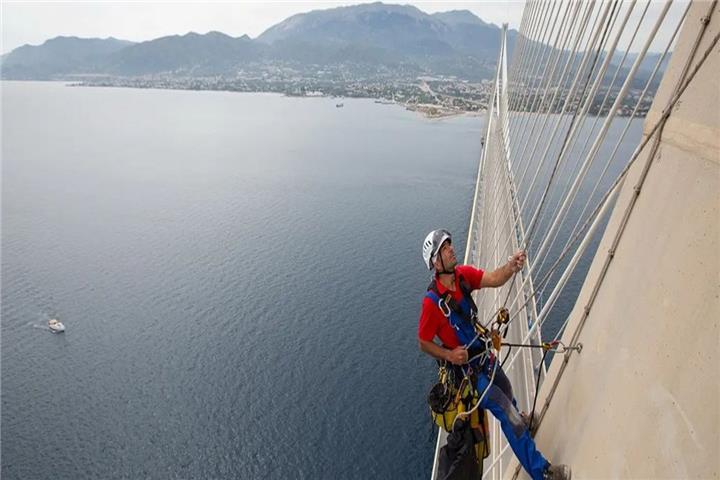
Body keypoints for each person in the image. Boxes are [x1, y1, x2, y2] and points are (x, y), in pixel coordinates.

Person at [418, 229, 571, 480]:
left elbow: (493, 278)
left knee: (509, 393)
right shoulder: (431, 304)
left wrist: (511, 267)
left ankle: (524, 423)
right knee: (508, 416)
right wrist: (448, 354)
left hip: (484, 357)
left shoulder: (462, 276)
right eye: (445, 248)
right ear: (436, 262)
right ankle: (543, 473)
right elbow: (423, 342)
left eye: (450, 245)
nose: (452, 249)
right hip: (471, 374)